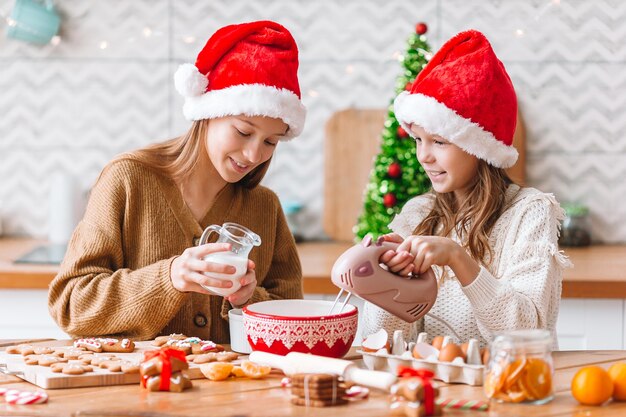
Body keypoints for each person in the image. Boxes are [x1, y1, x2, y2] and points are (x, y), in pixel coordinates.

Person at [48, 20, 307, 343]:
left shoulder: (264, 207)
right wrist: (169, 278)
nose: (255, 154)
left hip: (233, 392)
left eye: (271, 142)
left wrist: (248, 300)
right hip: (133, 389)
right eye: (243, 131)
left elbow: (294, 323)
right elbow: (71, 305)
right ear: (209, 113)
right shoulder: (129, 179)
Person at [361, 30, 571, 348]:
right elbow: (380, 341)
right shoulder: (418, 213)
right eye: (419, 139)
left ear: (479, 147)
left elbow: (527, 333)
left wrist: (459, 259)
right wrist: (389, 281)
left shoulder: (529, 212)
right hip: (429, 391)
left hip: (508, 390)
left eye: (439, 142)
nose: (424, 156)